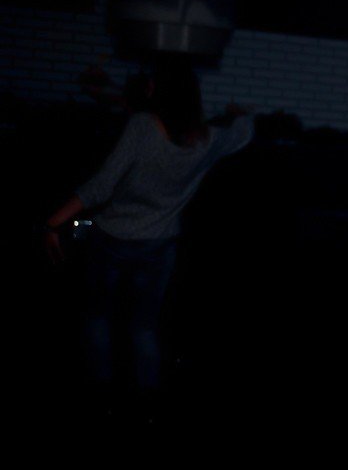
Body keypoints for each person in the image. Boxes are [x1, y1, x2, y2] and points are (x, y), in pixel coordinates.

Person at [42, 59, 254, 418]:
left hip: (110, 234)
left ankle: (101, 397)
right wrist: (242, 114)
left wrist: (51, 222)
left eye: (153, 83)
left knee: (97, 312)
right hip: (159, 243)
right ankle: (147, 406)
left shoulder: (142, 126)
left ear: (162, 91)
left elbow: (101, 186)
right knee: (144, 326)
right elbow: (243, 133)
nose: (149, 87)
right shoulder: (208, 140)